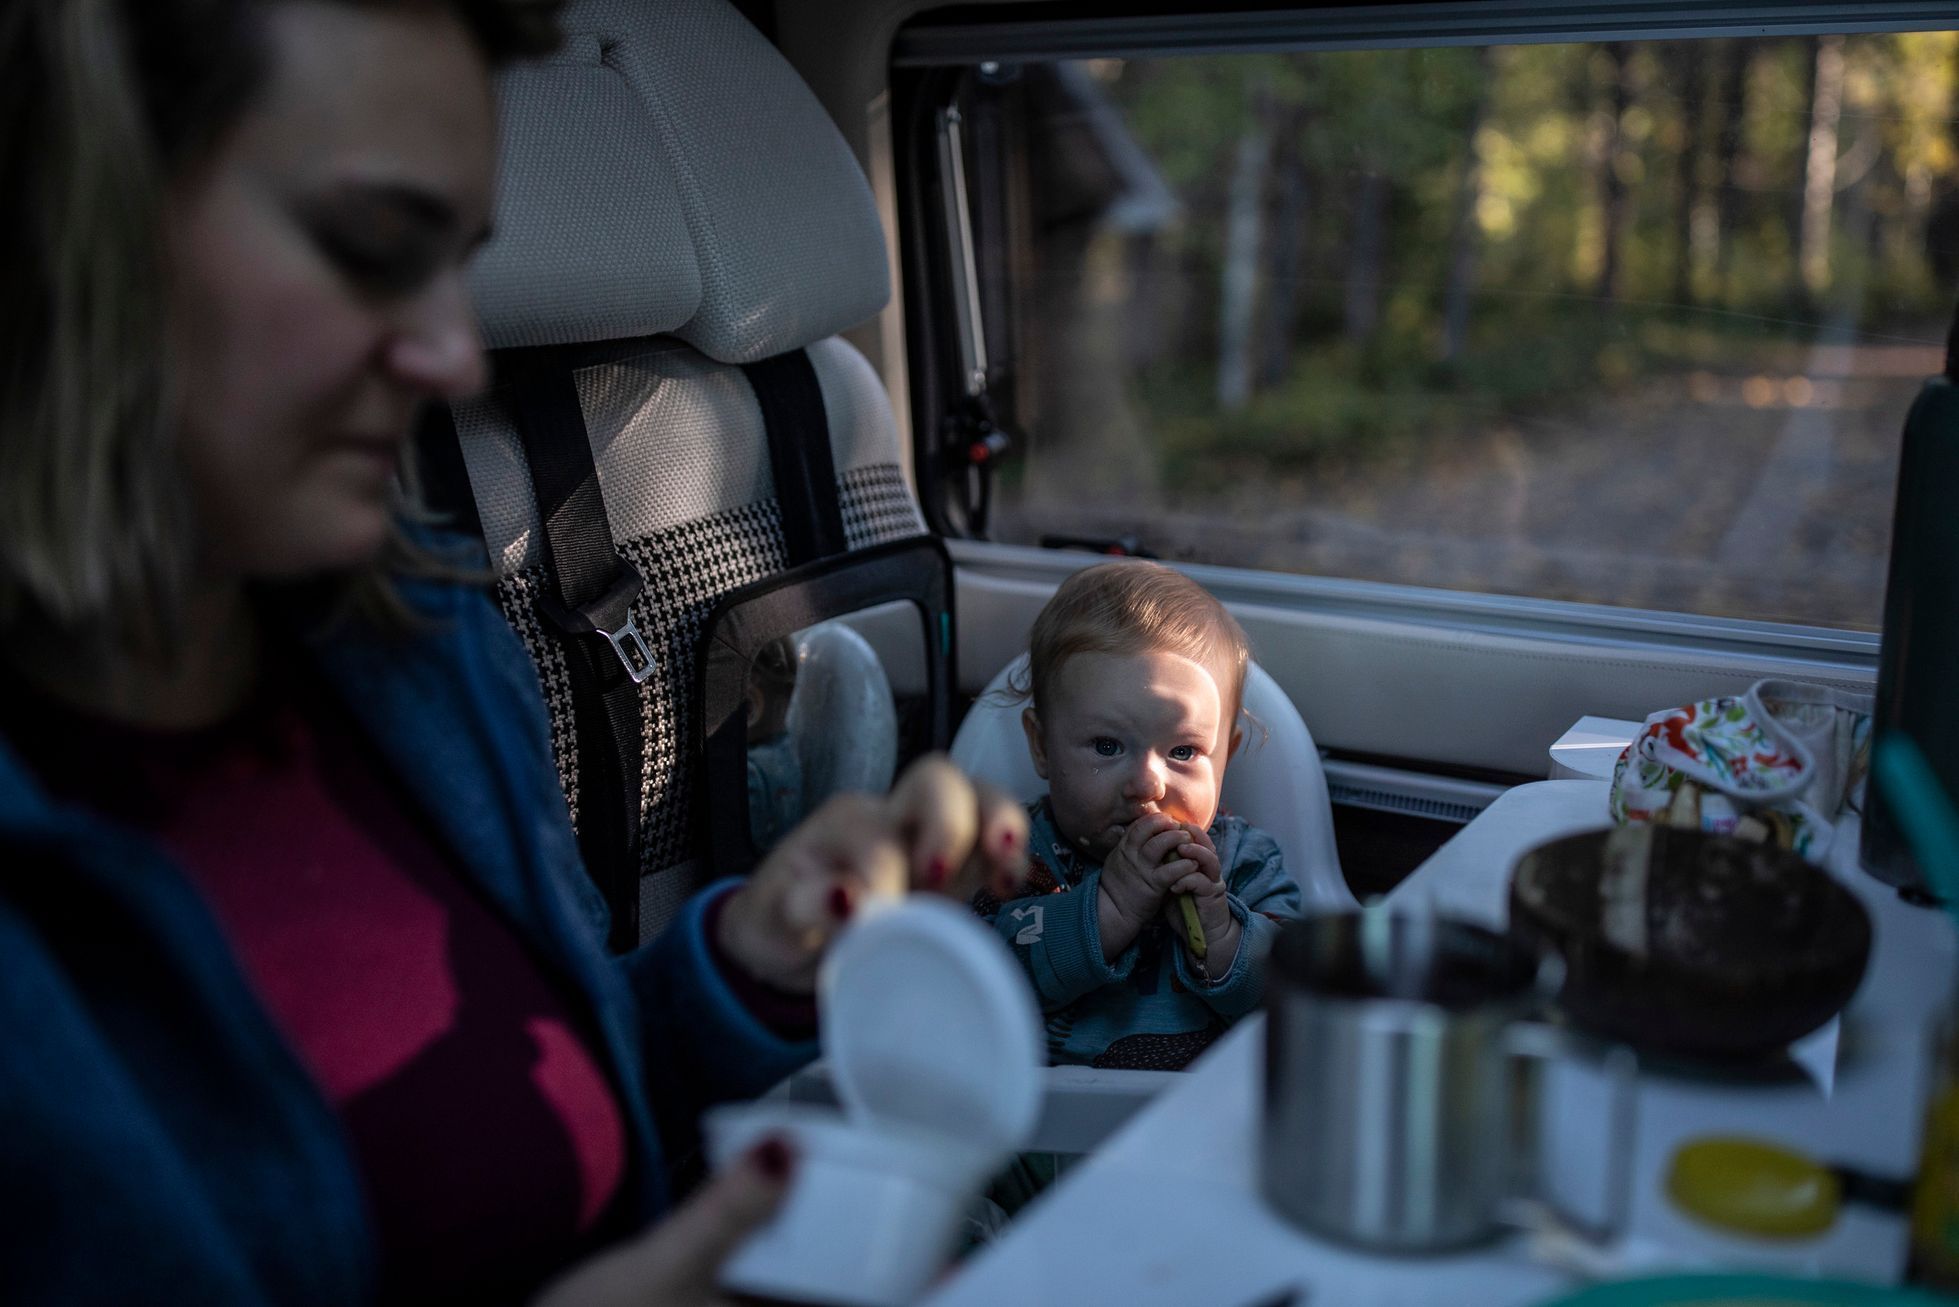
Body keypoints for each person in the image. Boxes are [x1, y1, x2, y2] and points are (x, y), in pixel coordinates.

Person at [0, 1, 1026, 1304]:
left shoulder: (415, 644)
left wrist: (741, 966)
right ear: (72, 223)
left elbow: (538, 1114)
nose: (452, 356)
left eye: (460, 263)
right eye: (372, 244)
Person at [976, 562, 1304, 1071]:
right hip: (1047, 1136)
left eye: (1184, 752)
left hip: (1200, 1126)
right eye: (1107, 746)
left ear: (1226, 757)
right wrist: (1108, 907)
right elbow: (973, 985)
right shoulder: (1008, 854)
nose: (1149, 784)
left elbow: (1297, 1004)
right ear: (1041, 747)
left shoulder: (1244, 863)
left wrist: (1223, 937)